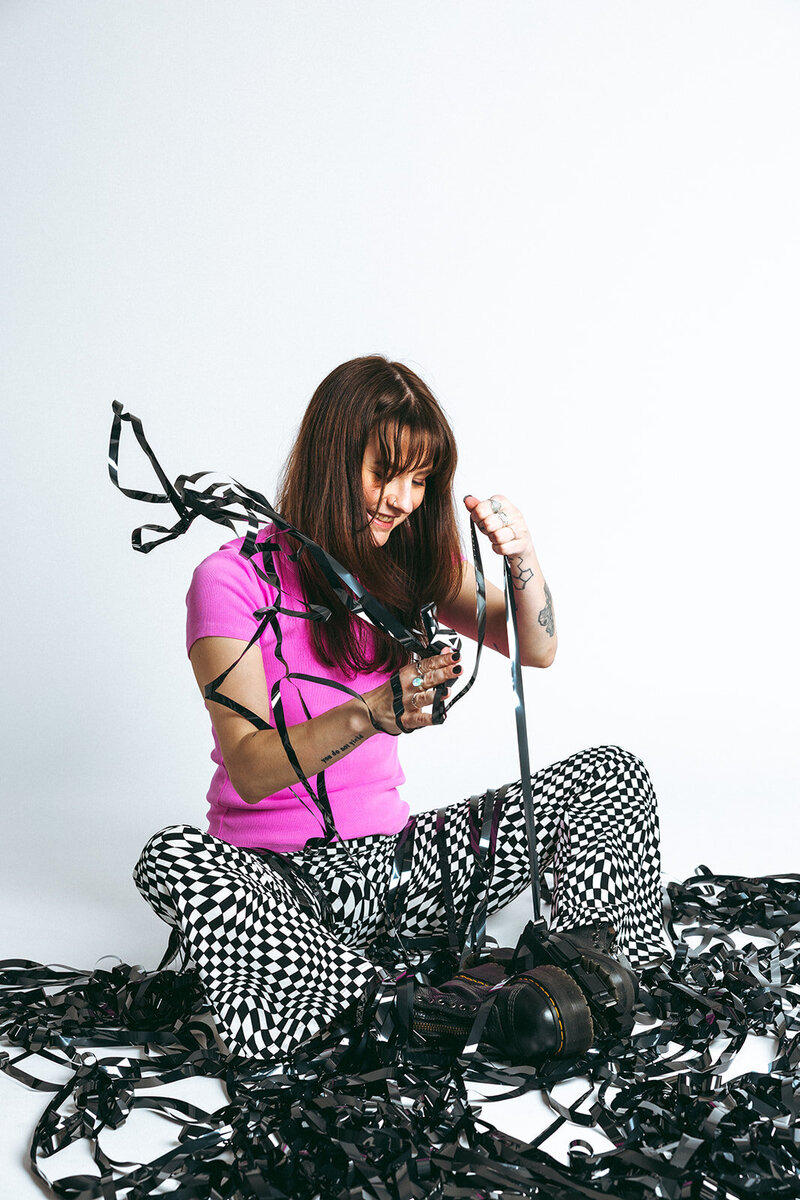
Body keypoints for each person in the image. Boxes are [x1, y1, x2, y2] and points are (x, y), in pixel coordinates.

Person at [133, 355, 666, 1061]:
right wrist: (369, 712)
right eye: (384, 473)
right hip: (283, 888)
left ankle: (593, 979)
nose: (401, 500)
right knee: (170, 856)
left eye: (419, 480)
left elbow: (535, 647)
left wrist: (523, 559)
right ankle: (417, 1010)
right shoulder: (231, 580)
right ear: (331, 460)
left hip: (397, 872)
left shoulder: (406, 564)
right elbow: (251, 769)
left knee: (612, 775)